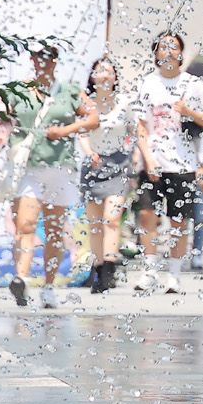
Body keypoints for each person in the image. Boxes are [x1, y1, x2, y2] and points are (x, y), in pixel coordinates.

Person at [4, 44, 88, 309]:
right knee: (25, 224)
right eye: (39, 55)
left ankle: (49, 286)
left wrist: (66, 131)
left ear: (56, 59)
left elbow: (93, 118)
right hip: (28, 166)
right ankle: (22, 278)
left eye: (50, 56)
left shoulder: (69, 90)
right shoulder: (18, 90)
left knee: (54, 229)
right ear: (32, 59)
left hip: (59, 166)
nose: (44, 60)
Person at [133, 33, 203, 293]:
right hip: (153, 162)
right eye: (163, 47)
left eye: (174, 47)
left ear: (181, 53)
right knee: (147, 215)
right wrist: (147, 158)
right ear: (155, 53)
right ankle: (149, 270)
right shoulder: (147, 83)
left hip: (184, 164)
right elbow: (141, 125)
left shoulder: (193, 84)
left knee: (179, 221)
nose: (168, 51)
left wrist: (188, 112)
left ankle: (175, 274)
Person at [76, 57, 132, 295]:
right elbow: (81, 131)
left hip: (119, 163)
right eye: (100, 71)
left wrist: (134, 153)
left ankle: (109, 267)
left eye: (109, 71)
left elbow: (135, 129)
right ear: (92, 77)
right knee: (95, 223)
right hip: (94, 164)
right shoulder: (87, 104)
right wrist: (89, 152)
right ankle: (98, 269)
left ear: (115, 76)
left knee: (112, 218)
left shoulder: (124, 102)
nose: (105, 75)